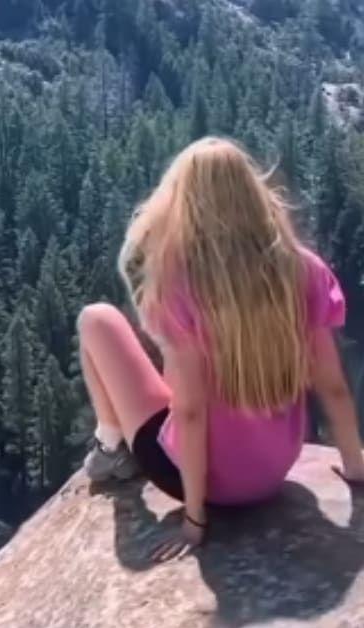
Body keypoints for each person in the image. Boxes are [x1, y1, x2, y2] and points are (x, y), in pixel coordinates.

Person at [76, 136, 363, 558]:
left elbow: (190, 412)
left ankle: (111, 447)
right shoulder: (303, 269)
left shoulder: (179, 285)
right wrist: (355, 463)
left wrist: (194, 519)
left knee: (96, 319)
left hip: (206, 484)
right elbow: (333, 386)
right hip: (274, 469)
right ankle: (115, 447)